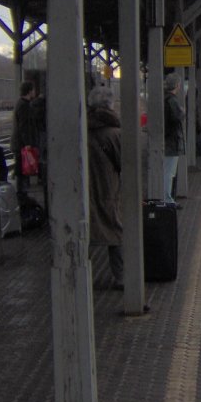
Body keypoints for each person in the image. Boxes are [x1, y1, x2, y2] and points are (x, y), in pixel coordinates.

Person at [86, 86, 123, 291]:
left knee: (86, 234)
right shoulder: (115, 133)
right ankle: (122, 277)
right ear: (110, 105)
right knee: (116, 233)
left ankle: (80, 276)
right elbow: (126, 163)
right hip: (109, 190)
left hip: (83, 192)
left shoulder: (81, 129)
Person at [10, 81, 39, 194]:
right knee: (23, 171)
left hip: (20, 144)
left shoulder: (21, 104)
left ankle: (22, 193)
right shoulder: (24, 106)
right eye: (33, 90)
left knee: (22, 170)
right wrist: (27, 143)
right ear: (29, 91)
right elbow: (24, 126)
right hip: (22, 145)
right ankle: (21, 195)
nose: (34, 92)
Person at [162, 73, 184, 202]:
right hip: (171, 141)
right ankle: (168, 201)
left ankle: (168, 199)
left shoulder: (165, 99)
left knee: (168, 172)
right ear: (176, 85)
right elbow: (176, 118)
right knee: (169, 173)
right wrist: (182, 113)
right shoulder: (172, 100)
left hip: (168, 140)